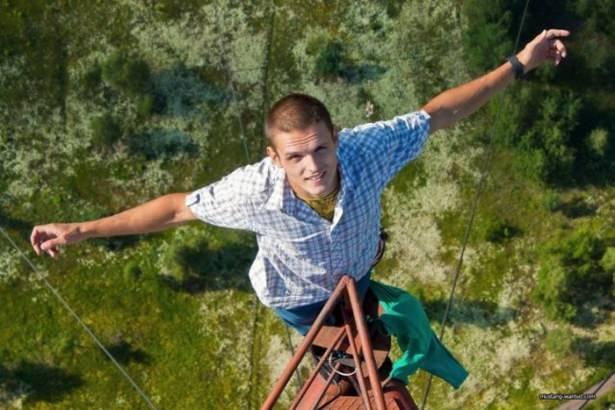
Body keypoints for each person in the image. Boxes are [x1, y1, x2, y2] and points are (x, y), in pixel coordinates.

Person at [30, 28, 568, 368]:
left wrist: (520, 62)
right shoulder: (254, 190)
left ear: (336, 136)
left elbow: (439, 114)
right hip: (298, 298)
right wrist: (81, 230)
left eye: (320, 149)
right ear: (274, 158)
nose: (313, 167)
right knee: (343, 365)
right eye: (296, 157)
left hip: (356, 275)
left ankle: (361, 336)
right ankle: (335, 358)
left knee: (372, 344)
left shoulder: (367, 150)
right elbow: (175, 209)